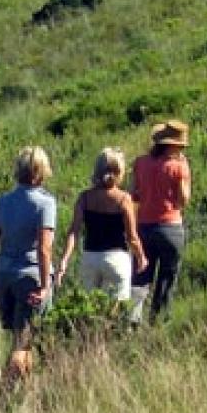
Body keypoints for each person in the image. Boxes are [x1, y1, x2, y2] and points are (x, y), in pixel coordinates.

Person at [0, 146, 55, 393]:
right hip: (30, 277)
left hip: (5, 276)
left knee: (20, 337)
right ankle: (4, 394)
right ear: (41, 172)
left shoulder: (4, 202)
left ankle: (25, 392)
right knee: (23, 343)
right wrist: (45, 286)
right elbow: (44, 249)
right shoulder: (45, 204)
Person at [57, 148, 148, 304]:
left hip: (90, 258)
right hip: (116, 258)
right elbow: (132, 237)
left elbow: (74, 232)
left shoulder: (84, 198)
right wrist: (141, 257)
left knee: (88, 307)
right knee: (116, 310)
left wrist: (64, 260)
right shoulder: (124, 199)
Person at [130, 121, 192, 323]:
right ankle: (157, 321)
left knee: (140, 276)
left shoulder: (140, 163)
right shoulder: (178, 167)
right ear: (174, 146)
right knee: (166, 279)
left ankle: (133, 319)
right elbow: (183, 200)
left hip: (144, 226)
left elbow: (134, 195)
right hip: (170, 227)